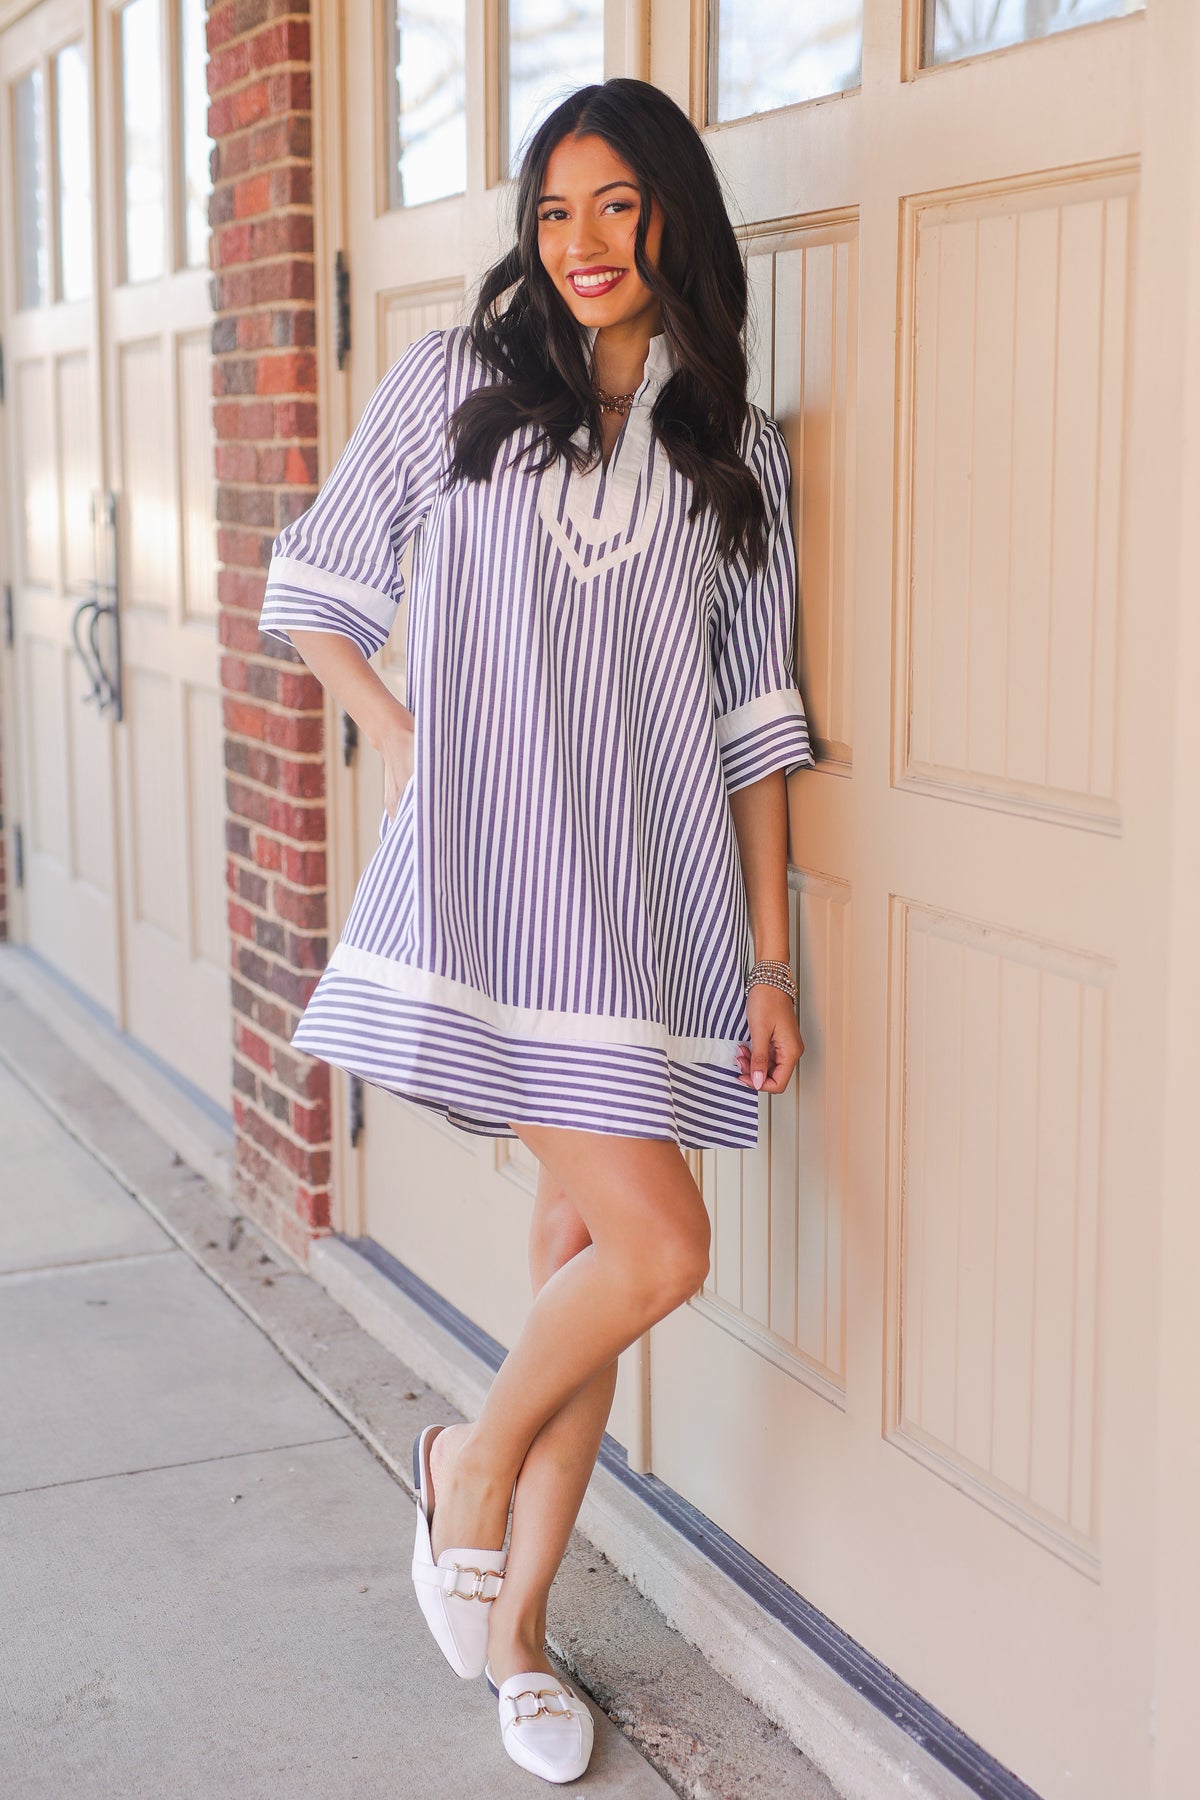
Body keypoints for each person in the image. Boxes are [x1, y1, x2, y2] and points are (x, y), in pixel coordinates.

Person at [258, 75, 815, 1787]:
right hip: (495, 890)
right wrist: (426, 747)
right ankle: (467, 1472)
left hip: (653, 917)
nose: (583, 243)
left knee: (587, 1263)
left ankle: (513, 1637)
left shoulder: (741, 450)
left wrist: (773, 956)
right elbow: (317, 592)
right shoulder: (453, 385)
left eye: (620, 207)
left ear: (675, 224)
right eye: (557, 209)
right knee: (665, 1254)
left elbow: (758, 722)